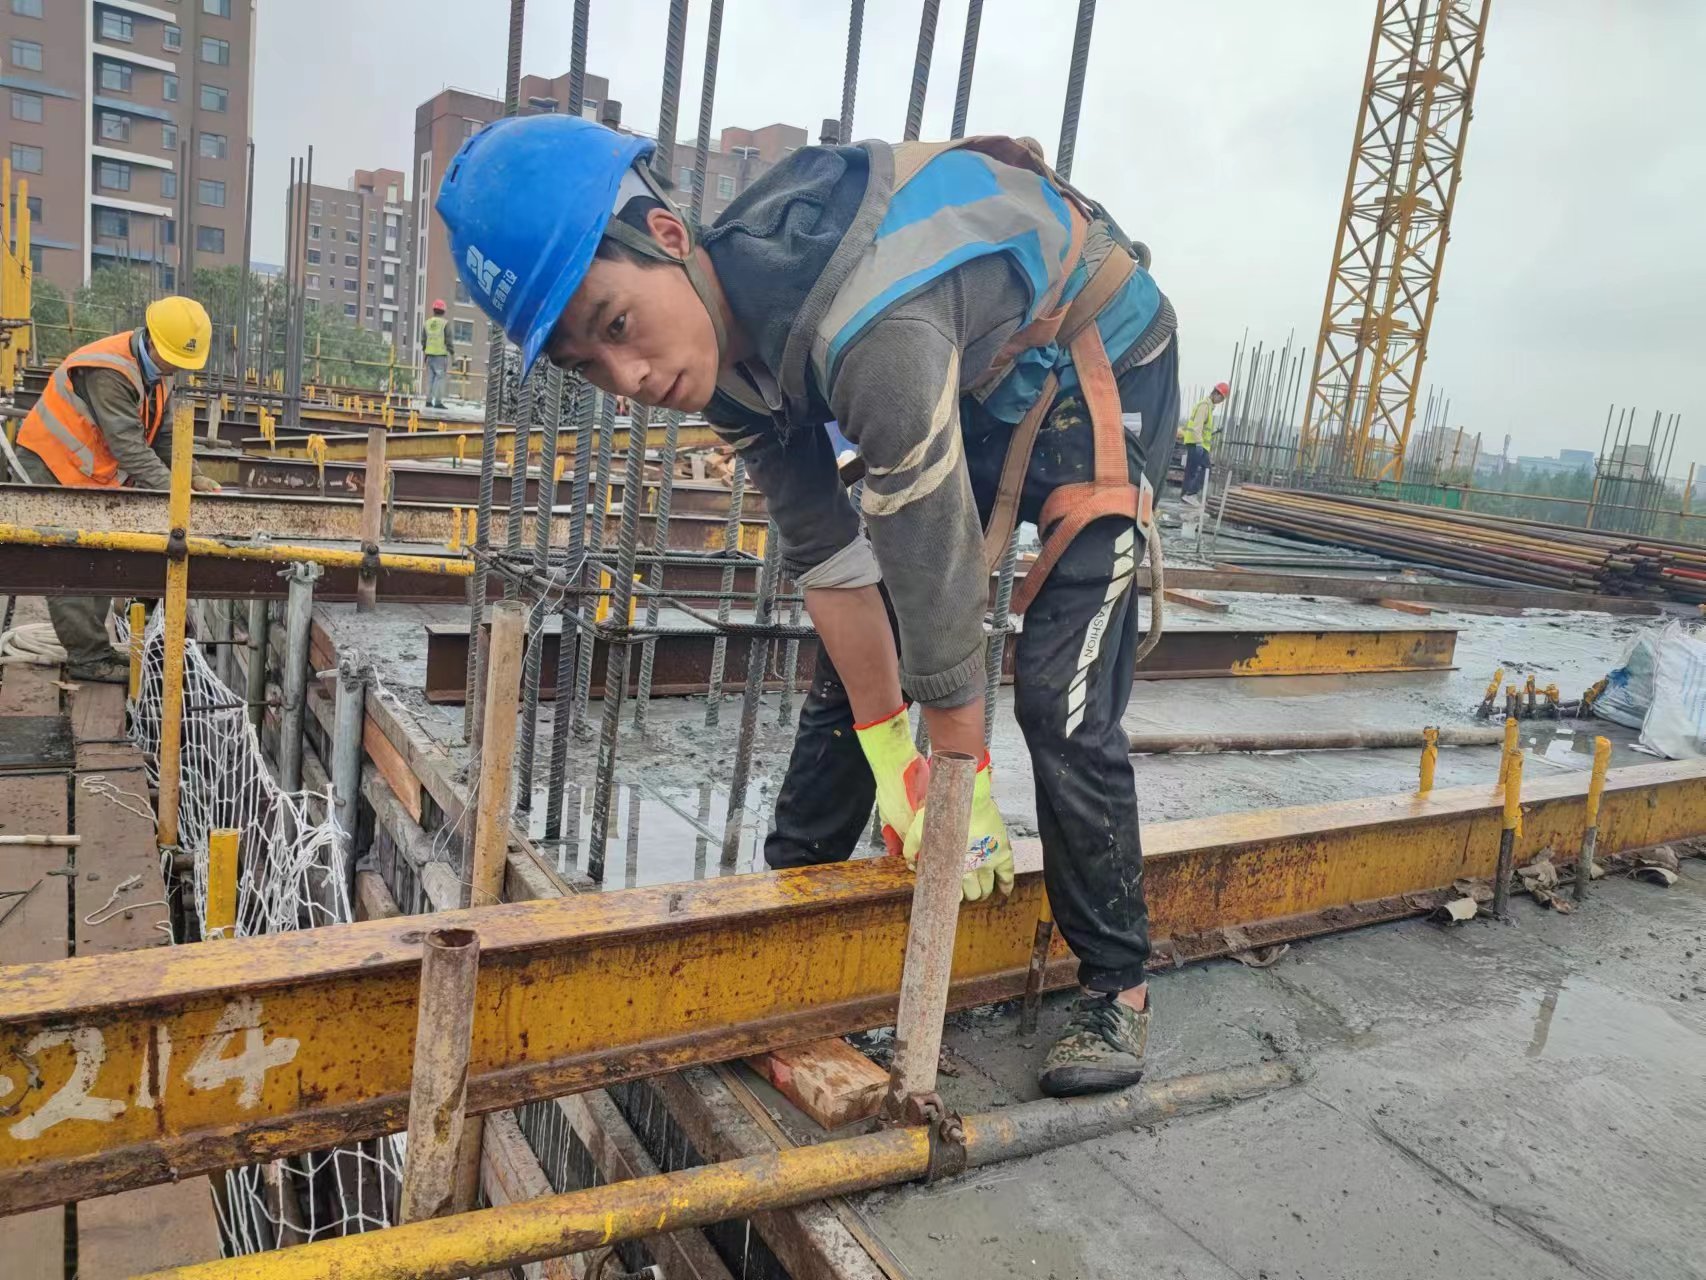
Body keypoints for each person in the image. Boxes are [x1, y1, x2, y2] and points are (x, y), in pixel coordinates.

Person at [437, 115, 1180, 1097]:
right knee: (854, 671)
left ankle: (1118, 985)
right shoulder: (723, 362)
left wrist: (956, 783)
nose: (631, 379)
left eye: (616, 325)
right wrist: (893, 755)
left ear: (668, 238)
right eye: (588, 366)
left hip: (1099, 356)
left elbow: (936, 576)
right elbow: (832, 563)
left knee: (1060, 696)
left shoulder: (868, 328)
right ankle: (790, 925)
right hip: (982, 374)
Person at [11, 295, 220, 683]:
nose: (177, 367)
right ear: (153, 340)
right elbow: (130, 448)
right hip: (52, 466)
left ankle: (97, 649)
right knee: (68, 562)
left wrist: (193, 476)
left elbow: (165, 436)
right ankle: (88, 658)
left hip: (91, 475)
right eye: (174, 358)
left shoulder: (156, 372)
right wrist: (177, 494)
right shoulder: (109, 371)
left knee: (100, 556)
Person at [1179, 381, 1227, 503]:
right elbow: (1197, 426)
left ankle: (1185, 496)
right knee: (1206, 469)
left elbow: (1203, 429)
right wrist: (1199, 443)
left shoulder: (1207, 407)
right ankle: (1191, 494)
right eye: (1221, 399)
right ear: (1216, 394)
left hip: (1196, 443)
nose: (1220, 402)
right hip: (1197, 444)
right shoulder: (1204, 406)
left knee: (1191, 471)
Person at [421, 299, 455, 409]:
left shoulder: (427, 323)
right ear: (443, 311)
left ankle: (428, 401)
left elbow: (423, 340)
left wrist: (425, 352)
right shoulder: (445, 324)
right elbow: (449, 341)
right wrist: (452, 353)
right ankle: (438, 402)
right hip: (440, 356)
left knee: (430, 379)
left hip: (429, 356)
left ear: (433, 310)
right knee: (439, 378)